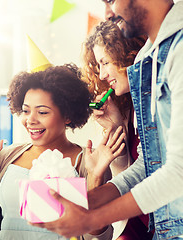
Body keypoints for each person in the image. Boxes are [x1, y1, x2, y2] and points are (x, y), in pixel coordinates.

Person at [31, 1, 183, 239]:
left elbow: (177, 172)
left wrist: (93, 216)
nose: (109, 13)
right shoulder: (148, 60)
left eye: (111, 0)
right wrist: (88, 199)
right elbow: (148, 166)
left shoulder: (178, 52)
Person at [0, 63, 126, 240]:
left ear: (67, 115)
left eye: (42, 112)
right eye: (26, 111)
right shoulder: (6, 157)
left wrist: (95, 177)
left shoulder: (90, 161)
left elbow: (99, 238)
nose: (30, 120)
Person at [82, 20, 152, 239]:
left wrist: (98, 190)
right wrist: (116, 126)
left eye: (105, 62)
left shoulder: (156, 100)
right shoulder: (130, 109)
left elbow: (148, 167)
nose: (102, 75)